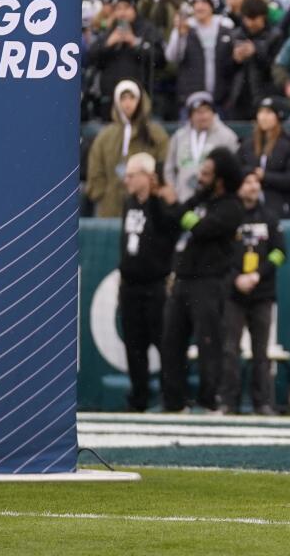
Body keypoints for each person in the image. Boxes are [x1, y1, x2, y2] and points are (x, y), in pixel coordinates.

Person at [162, 147, 246, 413]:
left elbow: (200, 228)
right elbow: (174, 220)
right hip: (185, 279)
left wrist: (177, 205)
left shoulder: (232, 207)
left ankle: (209, 401)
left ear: (221, 178)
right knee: (171, 341)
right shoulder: (202, 200)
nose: (200, 176)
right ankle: (174, 401)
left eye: (207, 173)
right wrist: (182, 205)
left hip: (209, 282)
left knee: (209, 343)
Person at [217, 170, 287, 416]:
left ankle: (262, 403)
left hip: (262, 293)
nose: (253, 186)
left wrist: (258, 274)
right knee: (230, 349)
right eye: (247, 181)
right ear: (238, 186)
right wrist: (236, 277)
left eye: (256, 182)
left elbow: (279, 253)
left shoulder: (270, 216)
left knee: (261, 352)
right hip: (233, 294)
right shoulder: (228, 216)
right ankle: (228, 402)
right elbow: (219, 253)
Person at [118, 152, 180, 412]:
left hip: (154, 285)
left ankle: (171, 398)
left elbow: (171, 230)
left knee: (163, 343)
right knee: (133, 346)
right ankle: (138, 399)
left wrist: (159, 200)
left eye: (132, 175)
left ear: (147, 176)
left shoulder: (161, 204)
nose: (127, 180)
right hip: (130, 285)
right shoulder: (128, 203)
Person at [86, 80, 169, 217]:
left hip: (146, 208)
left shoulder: (155, 133)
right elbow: (95, 170)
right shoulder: (105, 136)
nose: (127, 103)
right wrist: (101, 194)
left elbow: (164, 165)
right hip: (109, 208)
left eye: (132, 98)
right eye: (123, 98)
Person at [238, 97, 290, 219]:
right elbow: (237, 169)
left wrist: (265, 176)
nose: (263, 117)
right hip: (249, 206)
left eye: (269, 112)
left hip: (280, 205)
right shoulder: (248, 144)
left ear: (278, 116)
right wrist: (251, 175)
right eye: (261, 112)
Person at [163, 92, 240, 202]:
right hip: (183, 198)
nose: (203, 116)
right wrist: (172, 189)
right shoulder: (178, 137)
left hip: (214, 201)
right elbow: (169, 168)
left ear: (213, 112)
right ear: (190, 115)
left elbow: (233, 170)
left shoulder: (227, 136)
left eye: (206, 111)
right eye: (198, 112)